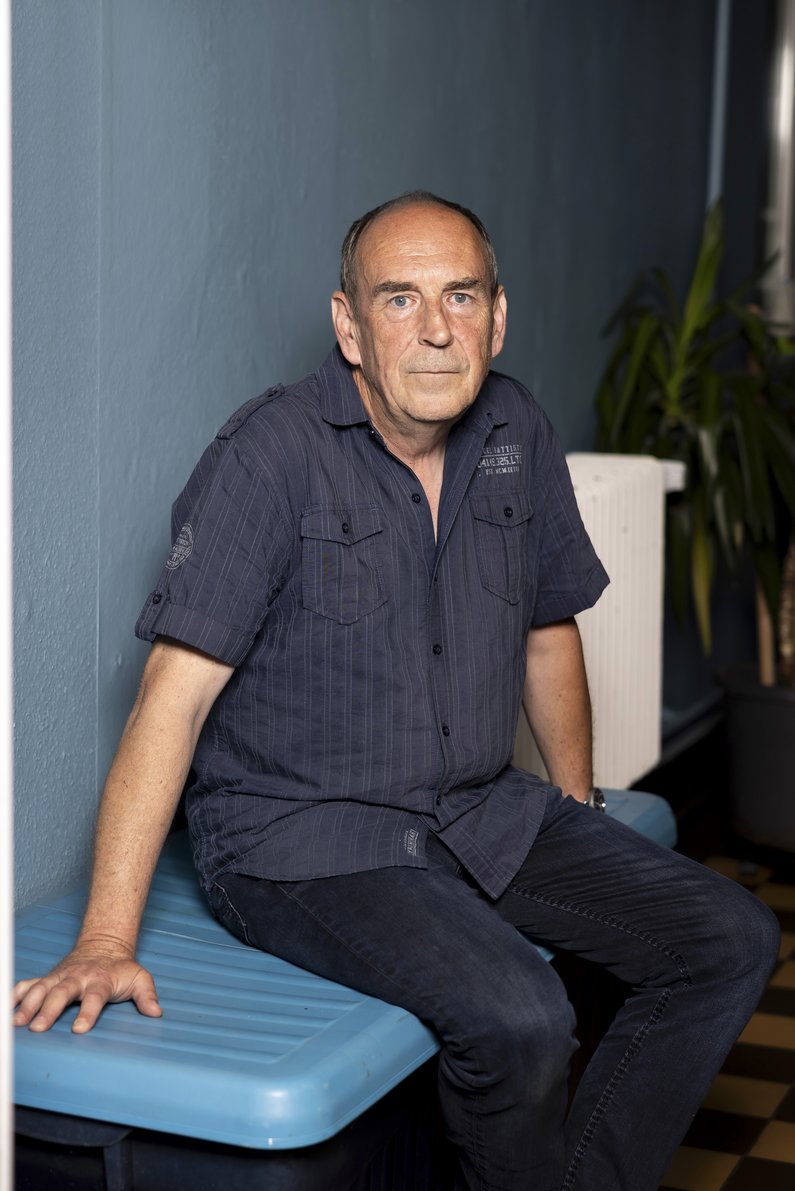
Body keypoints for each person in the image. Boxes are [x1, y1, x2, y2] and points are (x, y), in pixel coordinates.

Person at [13, 192, 779, 1191]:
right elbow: (174, 698)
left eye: (461, 297)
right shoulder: (268, 457)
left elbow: (551, 635)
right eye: (399, 299)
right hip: (304, 842)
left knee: (729, 940)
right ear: (348, 326)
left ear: (497, 317)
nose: (434, 329)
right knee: (521, 1016)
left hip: (478, 810)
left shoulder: (516, 429)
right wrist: (107, 942)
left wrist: (579, 812)